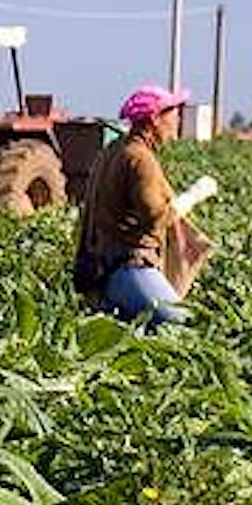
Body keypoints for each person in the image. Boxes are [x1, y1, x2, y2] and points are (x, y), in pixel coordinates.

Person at [73, 85, 192, 329]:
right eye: (172, 112)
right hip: (129, 270)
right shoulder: (139, 158)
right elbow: (156, 218)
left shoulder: (114, 150)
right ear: (154, 119)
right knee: (182, 329)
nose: (177, 119)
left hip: (102, 268)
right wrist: (193, 196)